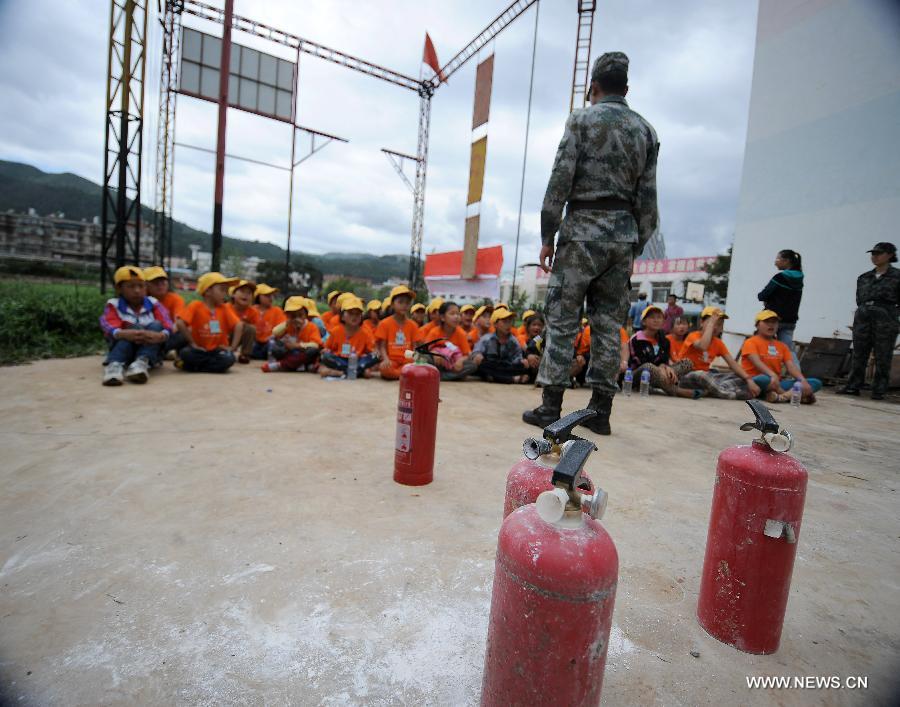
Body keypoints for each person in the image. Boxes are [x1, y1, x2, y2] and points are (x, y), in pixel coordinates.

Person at [524, 51, 659, 435]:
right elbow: (648, 197)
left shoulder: (580, 120)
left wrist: (548, 235)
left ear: (594, 88)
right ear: (626, 89)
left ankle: (551, 407)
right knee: (607, 325)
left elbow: (559, 181)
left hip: (580, 232)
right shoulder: (646, 131)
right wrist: (634, 241)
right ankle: (601, 412)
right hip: (622, 235)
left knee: (563, 319)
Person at [838, 242, 899, 400]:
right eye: (873, 253)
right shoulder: (864, 277)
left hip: (886, 319)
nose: (874, 256)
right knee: (859, 353)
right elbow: (859, 299)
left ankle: (879, 390)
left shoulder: (897, 276)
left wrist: (890, 314)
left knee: (883, 355)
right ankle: (853, 386)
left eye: (879, 253)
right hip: (864, 317)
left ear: (890, 255)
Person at [100, 266, 173, 385]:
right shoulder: (114, 305)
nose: (137, 290)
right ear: (119, 288)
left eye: (141, 286)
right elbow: (107, 325)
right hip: (124, 345)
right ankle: (115, 365)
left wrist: (161, 336)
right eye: (131, 286)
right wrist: (123, 333)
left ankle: (141, 363)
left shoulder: (153, 303)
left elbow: (167, 323)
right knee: (133, 327)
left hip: (148, 346)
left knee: (156, 325)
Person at [678, 307, 761, 400]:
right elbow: (703, 346)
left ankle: (711, 390)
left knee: (737, 377)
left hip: (708, 376)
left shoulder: (718, 342)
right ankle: (731, 393)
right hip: (686, 376)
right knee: (701, 375)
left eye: (720, 324)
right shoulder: (693, 336)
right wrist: (711, 325)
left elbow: (733, 364)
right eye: (712, 323)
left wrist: (748, 379)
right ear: (701, 322)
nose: (716, 327)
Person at [740, 310, 821, 403]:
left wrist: (802, 380)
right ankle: (795, 396)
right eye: (767, 322)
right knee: (762, 379)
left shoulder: (782, 346)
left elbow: (790, 366)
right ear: (757, 325)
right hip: (756, 382)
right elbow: (757, 362)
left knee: (815, 382)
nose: (771, 325)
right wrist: (772, 375)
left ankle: (781, 397)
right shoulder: (750, 342)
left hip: (776, 383)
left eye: (774, 322)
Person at [175, 272, 243, 373]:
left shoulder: (224, 308)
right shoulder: (196, 306)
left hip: (218, 350)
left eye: (226, 290)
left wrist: (232, 347)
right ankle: (210, 367)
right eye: (222, 290)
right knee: (185, 353)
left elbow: (239, 325)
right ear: (208, 291)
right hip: (200, 350)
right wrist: (192, 343)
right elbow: (180, 322)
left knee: (229, 358)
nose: (225, 294)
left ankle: (194, 367)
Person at [627, 305, 699, 398]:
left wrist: (666, 367)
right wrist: (661, 369)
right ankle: (677, 391)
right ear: (644, 322)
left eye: (659, 317)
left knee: (687, 362)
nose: (656, 320)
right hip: (637, 375)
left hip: (660, 373)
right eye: (652, 317)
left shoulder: (664, 340)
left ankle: (662, 384)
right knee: (648, 367)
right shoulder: (637, 339)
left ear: (663, 321)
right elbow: (640, 362)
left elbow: (664, 360)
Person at [319, 295, 379, 378]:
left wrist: (375, 352)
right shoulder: (336, 331)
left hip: (357, 360)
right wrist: (326, 351)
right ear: (342, 316)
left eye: (357, 314)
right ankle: (357, 371)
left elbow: (371, 351)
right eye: (350, 313)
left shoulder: (365, 333)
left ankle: (342, 372)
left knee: (375, 356)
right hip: (340, 360)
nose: (354, 316)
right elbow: (328, 348)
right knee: (325, 355)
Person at [757, 249, 803, 355]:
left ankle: (764, 371)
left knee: (763, 348)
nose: (775, 262)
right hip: (790, 320)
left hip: (772, 319)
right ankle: (795, 371)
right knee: (788, 352)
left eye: (778, 259)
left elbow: (763, 295)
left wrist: (767, 299)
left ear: (786, 261)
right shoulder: (800, 279)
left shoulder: (780, 277)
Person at [262, 296, 324, 372]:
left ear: (306, 315)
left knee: (313, 351)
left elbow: (316, 345)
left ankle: (280, 365)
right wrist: (287, 323)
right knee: (274, 344)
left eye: (300, 315)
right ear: (288, 316)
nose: (297, 318)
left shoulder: (311, 326)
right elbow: (275, 332)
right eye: (293, 316)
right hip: (290, 353)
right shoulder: (288, 325)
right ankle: (301, 366)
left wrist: (297, 345)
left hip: (303, 354)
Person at [472, 308, 531, 383]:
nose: (508, 325)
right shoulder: (487, 339)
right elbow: (476, 353)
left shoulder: (513, 341)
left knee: (523, 366)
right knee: (482, 366)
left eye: (510, 321)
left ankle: (495, 377)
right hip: (492, 365)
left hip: (507, 366)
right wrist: (477, 355)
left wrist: (521, 361)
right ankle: (512, 379)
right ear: (495, 324)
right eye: (504, 322)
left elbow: (517, 357)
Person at [374, 285, 419, 380]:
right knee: (384, 368)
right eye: (400, 302)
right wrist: (386, 359)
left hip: (407, 360)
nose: (404, 305)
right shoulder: (384, 323)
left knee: (415, 367)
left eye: (407, 302)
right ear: (392, 304)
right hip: (392, 360)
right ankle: (404, 375)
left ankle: (401, 374)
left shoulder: (413, 325)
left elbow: (415, 346)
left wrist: (415, 360)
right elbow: (382, 346)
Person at [428, 301, 476, 381]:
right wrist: (434, 353)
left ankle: (440, 376)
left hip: (454, 365)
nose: (456, 317)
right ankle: (450, 376)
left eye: (458, 314)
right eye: (452, 314)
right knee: (425, 358)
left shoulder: (461, 333)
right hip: (438, 363)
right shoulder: (434, 332)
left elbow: (466, 354)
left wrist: (460, 361)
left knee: (472, 365)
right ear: (442, 317)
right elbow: (426, 349)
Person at [143, 265, 186, 353]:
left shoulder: (175, 299)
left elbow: (178, 322)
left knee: (184, 334)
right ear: (146, 285)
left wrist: (163, 334)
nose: (160, 285)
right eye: (155, 282)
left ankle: (158, 351)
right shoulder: (141, 299)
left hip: (166, 334)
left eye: (163, 282)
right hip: (147, 334)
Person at [225, 280, 260, 364]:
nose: (246, 295)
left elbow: (254, 332)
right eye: (242, 291)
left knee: (251, 328)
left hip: (238, 338)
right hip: (225, 337)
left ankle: (245, 354)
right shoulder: (226, 308)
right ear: (233, 294)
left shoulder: (253, 312)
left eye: (249, 293)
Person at [252, 284, 286, 360]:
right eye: (267, 296)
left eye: (271, 296)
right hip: (255, 342)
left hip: (269, 342)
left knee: (272, 345)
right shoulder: (252, 310)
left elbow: (282, 328)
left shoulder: (277, 311)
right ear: (258, 297)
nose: (271, 298)